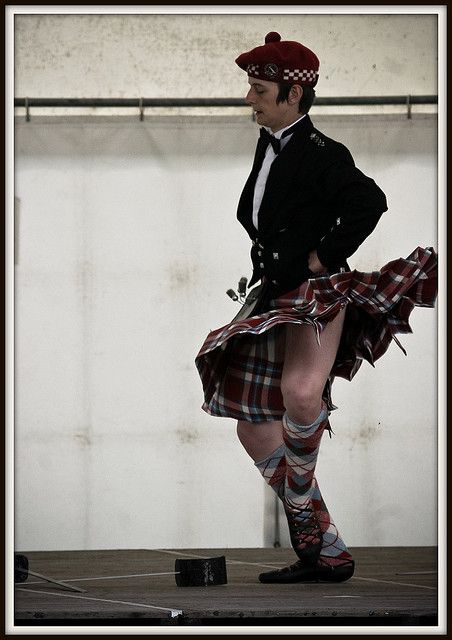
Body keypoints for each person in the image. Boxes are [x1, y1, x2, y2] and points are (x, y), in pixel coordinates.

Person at [195, 32, 437, 584]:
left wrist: (322, 256)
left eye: (259, 90)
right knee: (254, 430)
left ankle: (301, 511)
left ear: (293, 94)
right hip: (273, 293)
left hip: (314, 291)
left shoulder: (325, 153)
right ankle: (327, 550)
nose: (249, 99)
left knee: (302, 394)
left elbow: (370, 202)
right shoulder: (268, 144)